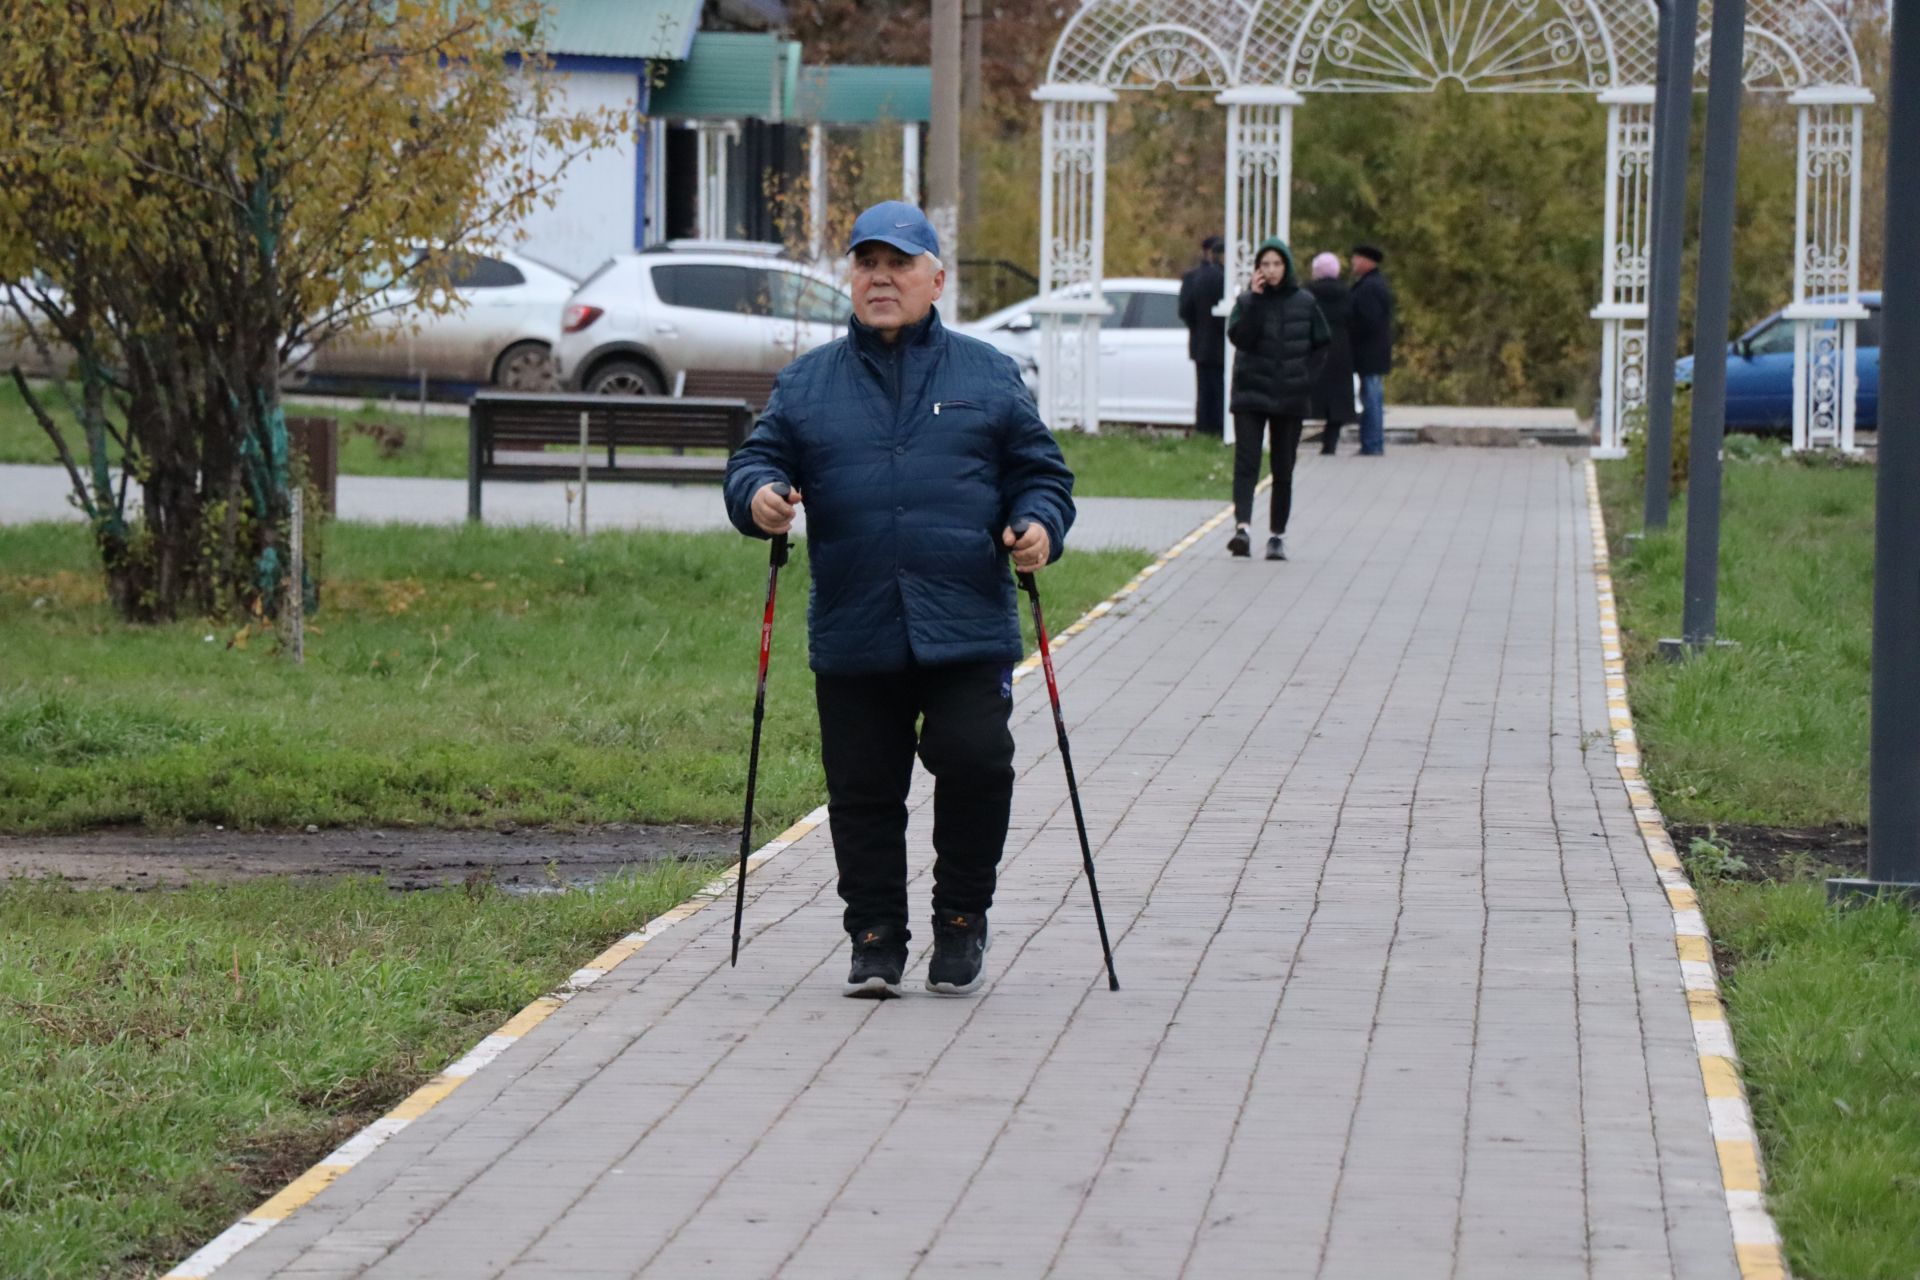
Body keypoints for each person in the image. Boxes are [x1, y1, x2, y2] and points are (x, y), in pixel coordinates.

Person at [723, 200, 1076, 1000]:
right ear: (850, 277)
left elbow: (1042, 475)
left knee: (979, 763)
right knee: (863, 788)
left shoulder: (987, 374)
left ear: (936, 279)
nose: (880, 278)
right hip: (857, 621)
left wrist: (1038, 524)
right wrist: (760, 499)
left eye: (899, 263)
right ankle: (875, 938)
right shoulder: (808, 383)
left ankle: (960, 919)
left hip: (966, 621)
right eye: (866, 263)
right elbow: (754, 463)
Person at [1225, 238, 1329, 562]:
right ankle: (1242, 529)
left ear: (1287, 267)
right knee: (1247, 462)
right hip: (1250, 394)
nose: (1270, 271)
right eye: (1265, 264)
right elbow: (1240, 338)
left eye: (1276, 264)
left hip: (1289, 398)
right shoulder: (1246, 301)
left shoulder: (1306, 302)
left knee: (1283, 467)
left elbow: (1322, 344)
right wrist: (1254, 300)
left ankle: (1276, 535)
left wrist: (1305, 379)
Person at [1305, 252, 1356, 455]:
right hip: (1341, 349)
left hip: (1314, 347)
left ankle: (1291, 439)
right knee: (1337, 400)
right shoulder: (1347, 293)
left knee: (1306, 394)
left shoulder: (1308, 293)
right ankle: (1330, 444)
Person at [1349, 243, 1396, 456]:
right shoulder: (1373, 284)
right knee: (1371, 395)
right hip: (1373, 350)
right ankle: (1371, 443)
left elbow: (1368, 320)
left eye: (1356, 258)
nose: (1352, 263)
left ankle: (1373, 443)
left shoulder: (1370, 287)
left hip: (1370, 351)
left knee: (1372, 397)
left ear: (1367, 261)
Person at [1178, 234, 1227, 436]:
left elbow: (1184, 310)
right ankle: (1219, 427)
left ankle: (1204, 426)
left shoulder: (1192, 277)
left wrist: (1197, 327)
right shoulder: (1224, 277)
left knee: (1204, 387)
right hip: (1221, 341)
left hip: (1200, 341)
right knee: (1220, 387)